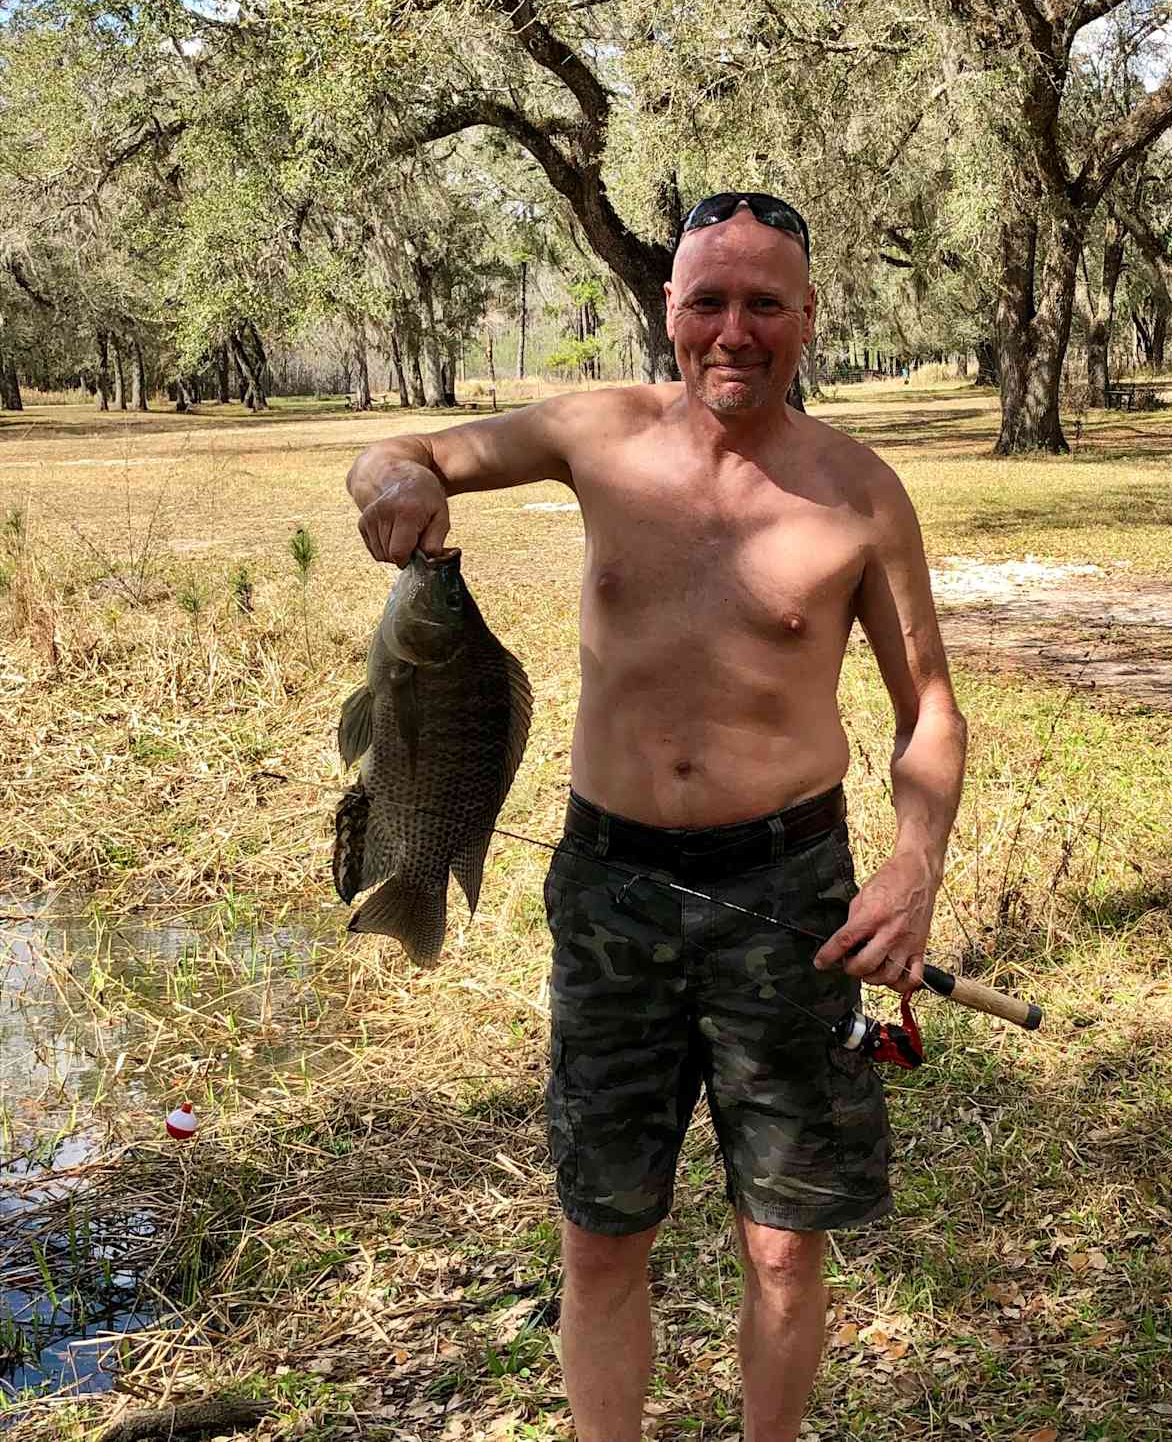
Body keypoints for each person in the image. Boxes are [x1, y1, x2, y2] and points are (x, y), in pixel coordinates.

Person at [347, 192, 967, 1442]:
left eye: (762, 304)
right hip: (609, 885)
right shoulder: (597, 434)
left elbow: (930, 712)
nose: (730, 331)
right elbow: (406, 450)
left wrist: (910, 868)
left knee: (785, 1246)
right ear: (667, 308)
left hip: (789, 893)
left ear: (805, 317)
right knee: (599, 1236)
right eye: (704, 300)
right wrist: (390, 479)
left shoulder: (859, 493)